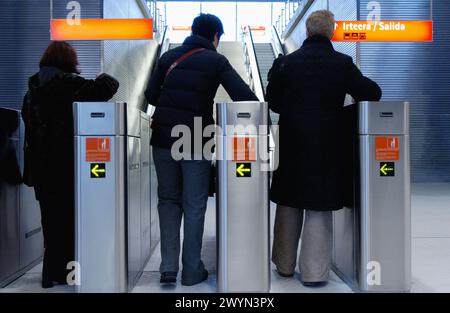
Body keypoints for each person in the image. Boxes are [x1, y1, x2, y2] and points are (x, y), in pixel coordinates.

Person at [266, 10, 382, 287]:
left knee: (289, 201)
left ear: (307, 32)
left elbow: (273, 102)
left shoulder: (286, 63)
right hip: (327, 144)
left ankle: (284, 266)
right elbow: (372, 92)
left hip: (293, 141)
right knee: (318, 206)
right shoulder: (342, 63)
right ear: (331, 33)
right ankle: (313, 274)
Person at [145, 13, 258, 286]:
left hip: (162, 137)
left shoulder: (168, 57)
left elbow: (150, 95)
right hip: (195, 136)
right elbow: (244, 97)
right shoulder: (216, 60)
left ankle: (168, 268)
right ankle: (192, 271)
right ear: (215, 36)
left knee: (168, 201)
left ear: (192, 31)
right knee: (194, 204)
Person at [22, 41, 119, 288]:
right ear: (68, 61)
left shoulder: (31, 90)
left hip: (40, 169)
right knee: (70, 220)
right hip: (66, 167)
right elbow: (109, 86)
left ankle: (49, 275)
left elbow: (28, 124)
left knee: (50, 221)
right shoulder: (69, 84)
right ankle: (67, 274)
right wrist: (101, 75)